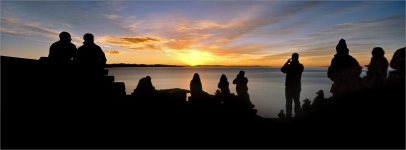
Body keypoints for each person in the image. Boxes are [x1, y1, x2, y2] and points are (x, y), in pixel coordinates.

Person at [281, 53, 304, 118]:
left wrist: (287, 63)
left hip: (289, 87)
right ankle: (298, 115)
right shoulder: (300, 66)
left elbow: (282, 70)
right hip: (297, 87)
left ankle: (288, 115)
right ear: (298, 58)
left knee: (289, 102)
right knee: (297, 101)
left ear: (292, 58)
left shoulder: (289, 66)